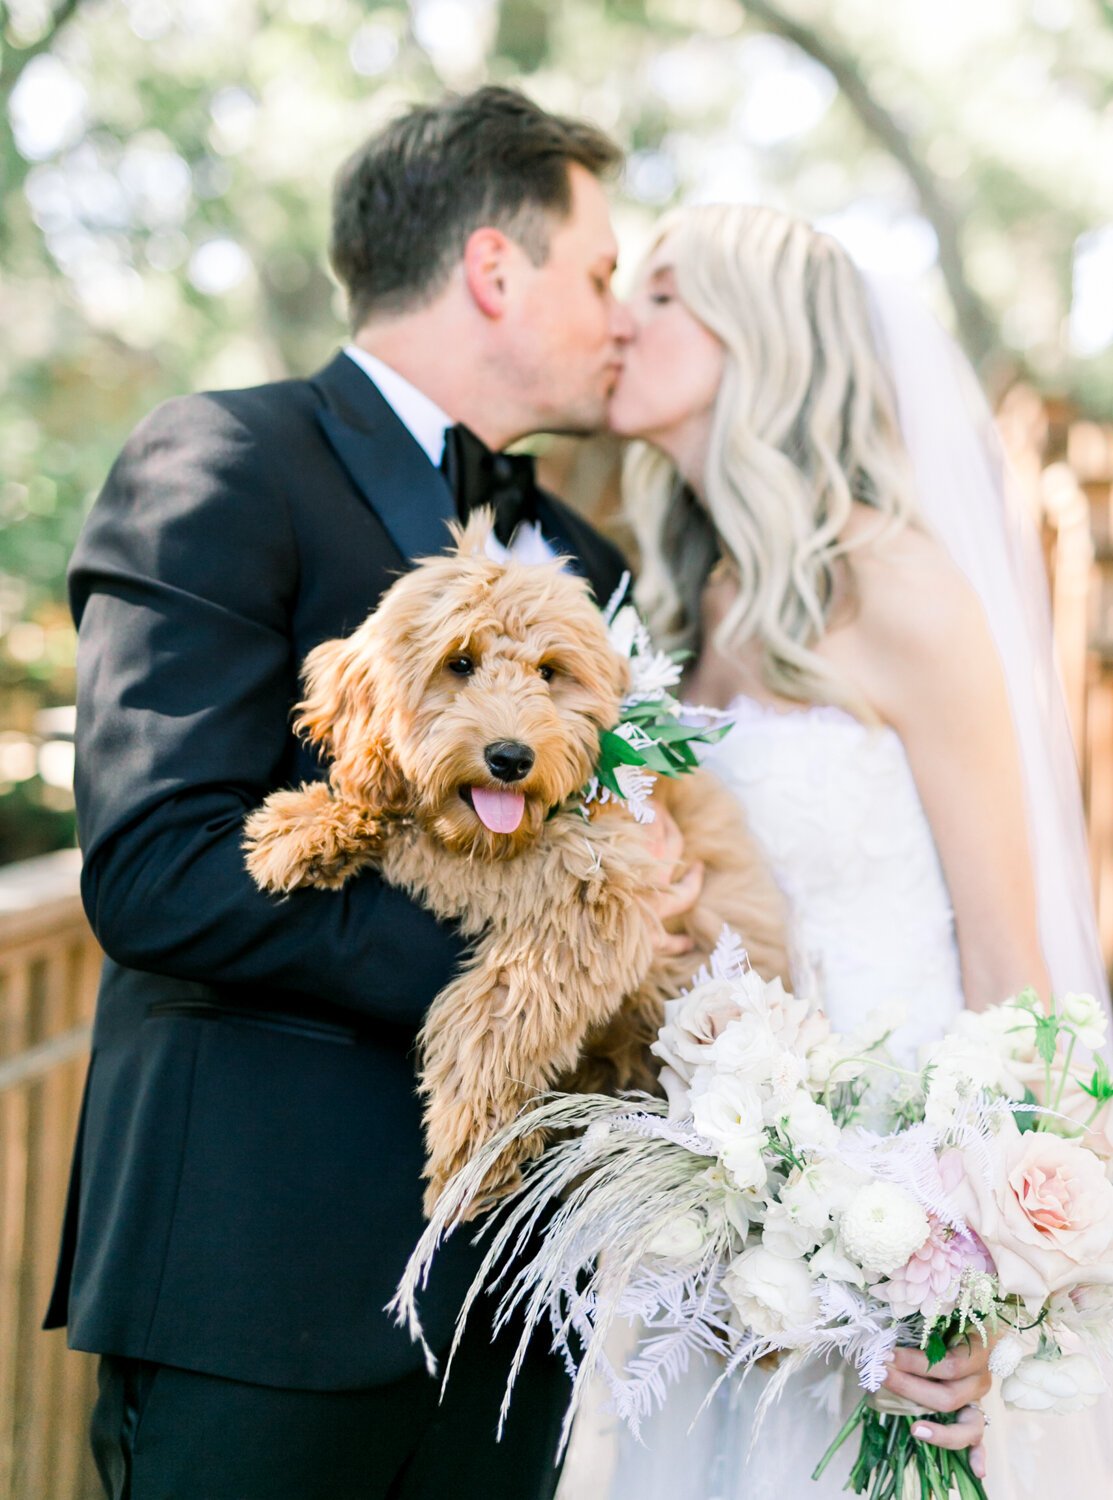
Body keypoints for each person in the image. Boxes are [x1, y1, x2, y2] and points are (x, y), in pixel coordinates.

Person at [45, 86, 645, 1500]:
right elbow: (157, 869)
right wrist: (527, 961)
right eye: (603, 273)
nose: (618, 315)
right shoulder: (222, 459)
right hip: (252, 1297)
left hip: (517, 1312)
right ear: (497, 268)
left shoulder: (586, 562)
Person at [600, 201, 1113, 1498]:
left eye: (663, 295)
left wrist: (980, 1265)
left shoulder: (897, 587)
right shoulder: (694, 592)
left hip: (896, 1202)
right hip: (723, 1224)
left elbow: (1011, 957)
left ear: (758, 337)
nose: (617, 316)